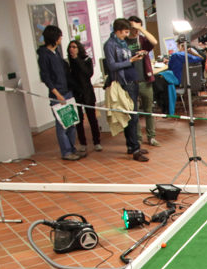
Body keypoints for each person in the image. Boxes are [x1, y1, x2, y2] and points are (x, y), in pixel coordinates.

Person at [104, 18, 147, 161]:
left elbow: (125, 59)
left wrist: (136, 56)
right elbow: (112, 65)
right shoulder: (110, 45)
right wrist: (130, 61)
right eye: (126, 32)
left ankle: (132, 146)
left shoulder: (123, 43)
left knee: (133, 116)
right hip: (123, 83)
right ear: (118, 30)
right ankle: (135, 149)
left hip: (131, 80)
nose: (127, 35)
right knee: (131, 116)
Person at [37, 25, 80, 161]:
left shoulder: (56, 52)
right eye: (60, 36)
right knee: (62, 125)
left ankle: (72, 148)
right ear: (54, 38)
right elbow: (46, 77)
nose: (61, 39)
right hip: (58, 94)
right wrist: (57, 94)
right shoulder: (44, 55)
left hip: (67, 91)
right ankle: (66, 152)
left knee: (71, 123)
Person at [127, 16, 159, 147]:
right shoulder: (124, 42)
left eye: (138, 28)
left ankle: (151, 136)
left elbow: (154, 42)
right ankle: (138, 138)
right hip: (131, 82)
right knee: (134, 112)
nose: (136, 31)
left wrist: (141, 29)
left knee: (148, 109)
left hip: (145, 80)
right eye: (133, 28)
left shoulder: (142, 40)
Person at [65, 40, 101, 154]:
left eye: (74, 47)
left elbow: (88, 73)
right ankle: (83, 143)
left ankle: (97, 142)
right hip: (75, 94)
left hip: (87, 93)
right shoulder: (67, 63)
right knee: (79, 120)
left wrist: (77, 59)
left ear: (79, 48)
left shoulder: (86, 60)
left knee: (92, 119)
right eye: (70, 47)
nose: (72, 49)